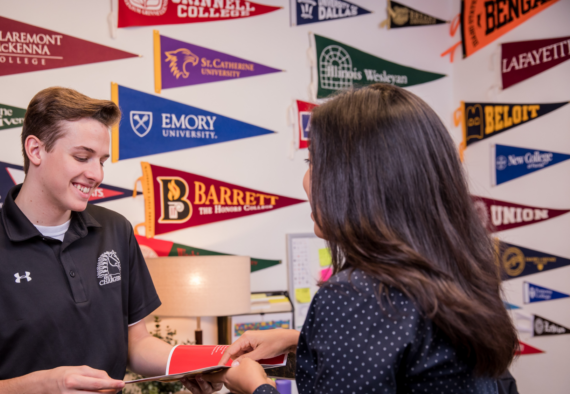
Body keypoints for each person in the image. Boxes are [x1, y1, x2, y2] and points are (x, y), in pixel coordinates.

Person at [204, 84, 518, 394]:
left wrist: (255, 386)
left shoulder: (358, 294)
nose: (306, 181)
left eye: (313, 163)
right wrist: (298, 341)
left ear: (359, 179)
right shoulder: (457, 271)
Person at [0, 87, 221, 394]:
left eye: (102, 160)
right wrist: (42, 386)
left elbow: (137, 343)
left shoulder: (115, 230)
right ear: (35, 150)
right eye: (82, 157)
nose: (96, 173)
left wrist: (203, 362)